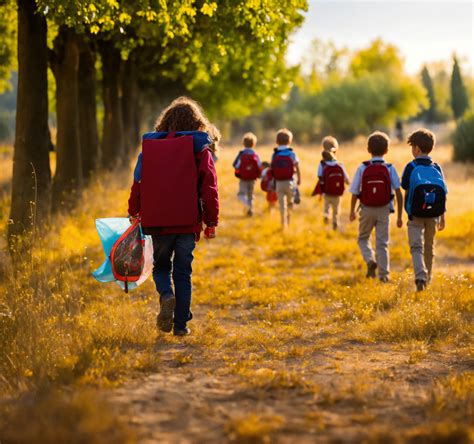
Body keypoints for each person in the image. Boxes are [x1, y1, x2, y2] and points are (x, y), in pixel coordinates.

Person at [127, 97, 219, 336]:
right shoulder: (200, 148)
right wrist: (212, 221)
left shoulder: (150, 149)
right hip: (187, 220)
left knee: (161, 267)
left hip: (157, 220)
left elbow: (138, 182)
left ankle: (167, 296)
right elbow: (210, 187)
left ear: (166, 121)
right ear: (197, 122)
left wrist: (133, 210)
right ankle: (181, 326)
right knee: (183, 272)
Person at [349, 131, 403, 282]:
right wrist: (399, 216)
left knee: (363, 238)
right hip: (384, 210)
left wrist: (352, 211)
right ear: (386, 150)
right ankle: (384, 276)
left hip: (366, 209)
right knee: (382, 243)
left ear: (368, 150)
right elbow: (398, 192)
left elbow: (354, 191)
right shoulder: (390, 168)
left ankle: (370, 260)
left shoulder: (362, 167)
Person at [401, 128, 447, 292]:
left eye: (412, 147)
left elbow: (405, 186)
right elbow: (443, 193)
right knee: (429, 247)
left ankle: (420, 276)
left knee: (416, 247)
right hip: (433, 215)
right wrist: (442, 217)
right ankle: (427, 279)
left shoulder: (410, 166)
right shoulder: (437, 167)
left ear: (417, 149)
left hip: (415, 215)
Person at [271, 128, 301, 229]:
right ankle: (288, 219)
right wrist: (299, 178)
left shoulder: (275, 154)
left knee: (281, 203)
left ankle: (283, 222)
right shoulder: (292, 153)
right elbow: (297, 166)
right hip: (290, 181)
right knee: (290, 201)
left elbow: (272, 168)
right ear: (290, 141)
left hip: (279, 182)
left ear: (277, 141)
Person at [317, 148, 350, 230]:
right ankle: (335, 221)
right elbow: (346, 178)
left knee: (326, 206)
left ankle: (326, 215)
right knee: (336, 208)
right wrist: (349, 184)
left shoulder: (323, 165)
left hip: (327, 191)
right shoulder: (340, 165)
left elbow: (319, 176)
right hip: (338, 192)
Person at [232, 132, 262, 216]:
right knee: (250, 195)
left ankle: (247, 205)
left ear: (243, 143)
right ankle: (250, 211)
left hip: (243, 178)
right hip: (253, 178)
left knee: (241, 194)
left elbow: (235, 165)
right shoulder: (255, 154)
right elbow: (259, 166)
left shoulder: (242, 154)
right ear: (254, 144)